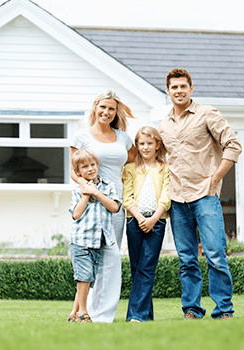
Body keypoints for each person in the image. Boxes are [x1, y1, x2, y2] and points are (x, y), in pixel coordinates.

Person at [157, 68, 242, 320]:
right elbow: (158, 159)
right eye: (174, 87)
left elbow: (233, 145)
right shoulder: (163, 125)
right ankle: (192, 309)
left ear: (191, 89)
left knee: (215, 254)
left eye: (183, 86)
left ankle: (224, 310)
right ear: (168, 91)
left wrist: (216, 178)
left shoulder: (207, 114)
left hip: (205, 196)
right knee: (186, 259)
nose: (179, 91)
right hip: (177, 199)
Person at [69, 90, 136, 323]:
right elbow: (73, 171)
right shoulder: (81, 136)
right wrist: (88, 188)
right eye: (103, 107)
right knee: (88, 256)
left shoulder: (124, 138)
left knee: (110, 257)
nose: (106, 112)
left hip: (114, 204)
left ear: (116, 113)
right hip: (89, 204)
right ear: (95, 108)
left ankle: (102, 314)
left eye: (111, 109)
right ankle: (81, 311)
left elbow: (134, 165)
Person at [122, 126, 171, 322]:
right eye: (141, 144)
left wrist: (152, 219)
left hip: (156, 222)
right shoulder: (130, 169)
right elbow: (127, 197)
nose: (145, 147)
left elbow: (166, 197)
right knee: (137, 269)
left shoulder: (165, 169)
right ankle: (146, 315)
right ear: (137, 145)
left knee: (147, 268)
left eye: (150, 143)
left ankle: (136, 315)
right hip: (134, 221)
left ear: (157, 145)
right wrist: (141, 219)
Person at [67, 148, 121, 323]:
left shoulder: (108, 186)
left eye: (93, 165)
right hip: (81, 240)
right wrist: (86, 193)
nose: (90, 169)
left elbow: (114, 207)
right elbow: (76, 214)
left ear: (97, 165)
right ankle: (83, 312)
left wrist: (96, 193)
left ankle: (73, 313)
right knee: (83, 276)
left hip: (99, 241)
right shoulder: (77, 190)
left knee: (88, 279)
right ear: (78, 172)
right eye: (85, 167)